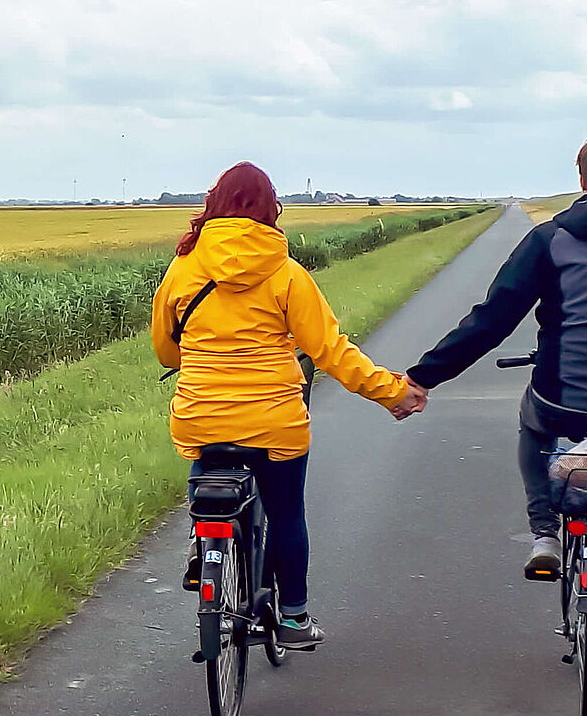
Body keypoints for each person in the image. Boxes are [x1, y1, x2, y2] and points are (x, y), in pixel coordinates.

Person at [402, 130, 587, 683]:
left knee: (533, 419)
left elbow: (492, 321)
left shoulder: (549, 241)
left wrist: (423, 377)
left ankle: (545, 529)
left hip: (561, 402)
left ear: (582, 181)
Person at [153, 161, 426, 647]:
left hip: (200, 414)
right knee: (285, 514)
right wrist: (391, 392)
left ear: (212, 204)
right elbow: (331, 350)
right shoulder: (285, 273)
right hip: (274, 420)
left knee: (205, 456)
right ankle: (294, 618)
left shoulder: (182, 269)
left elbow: (165, 350)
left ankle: (203, 541)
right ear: (269, 208)